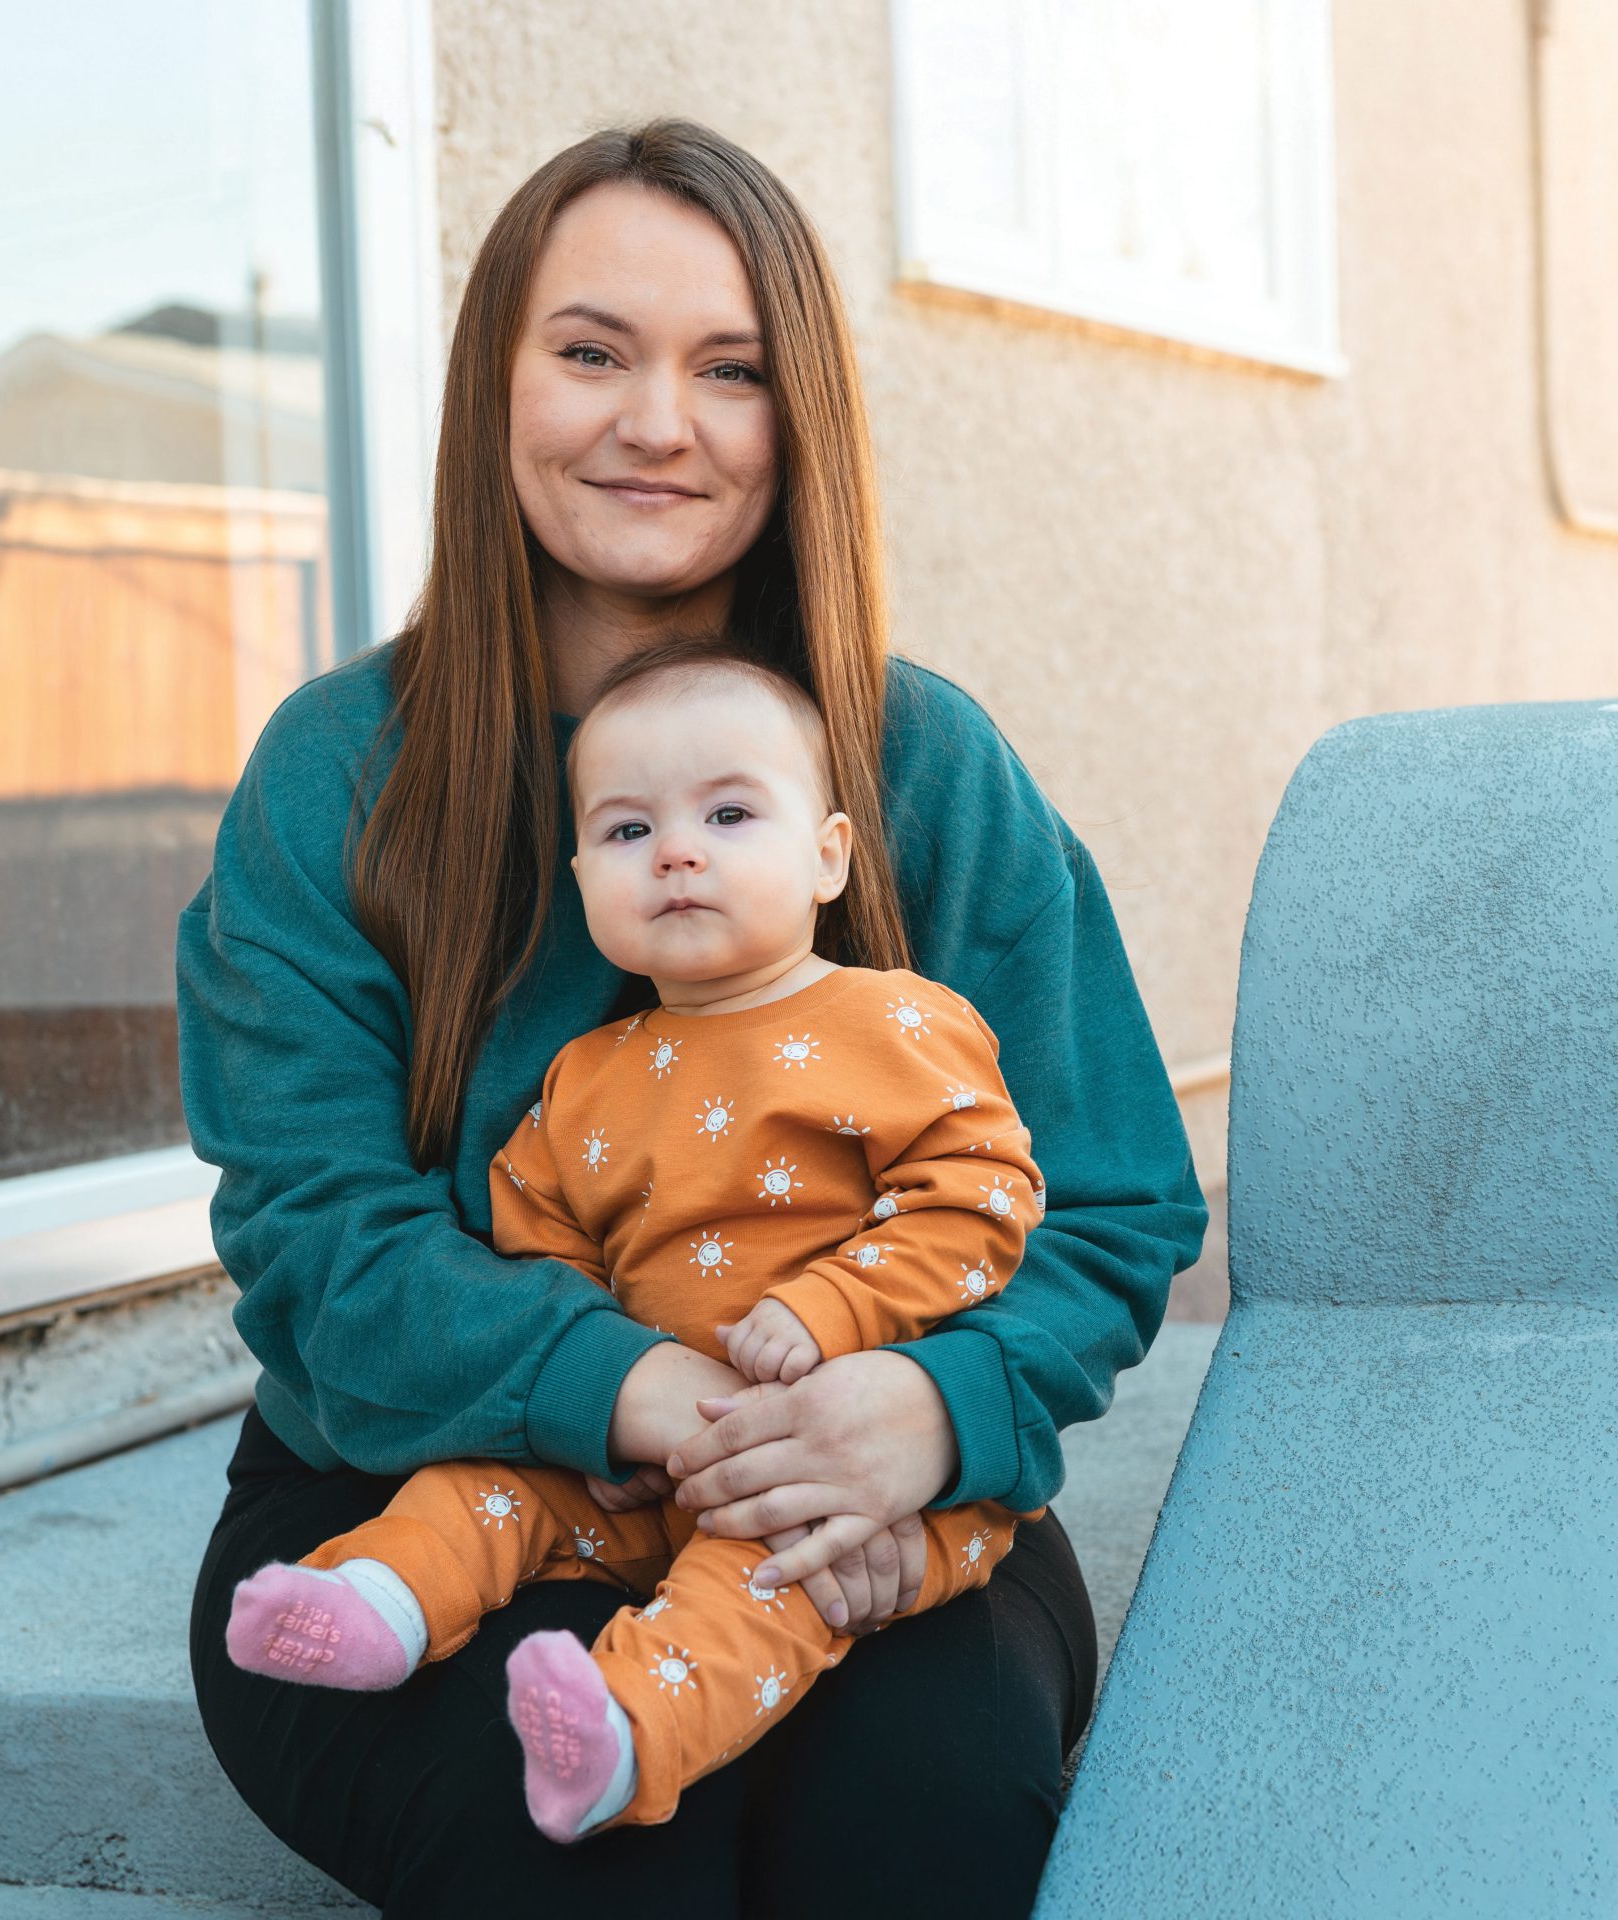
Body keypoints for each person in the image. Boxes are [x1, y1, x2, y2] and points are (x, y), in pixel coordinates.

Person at [179, 118, 1208, 1918]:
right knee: (592, 1859)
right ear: (494, 383)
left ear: (795, 415)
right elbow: (312, 1238)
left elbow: (1113, 1199)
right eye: (591, 351)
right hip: (436, 1490)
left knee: (919, 1820)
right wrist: (644, 1390)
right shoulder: (340, 776)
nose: (657, 420)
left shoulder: (920, 766)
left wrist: (936, 1405)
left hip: (876, 1490)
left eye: (728, 369)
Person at [220, 643, 1052, 1844]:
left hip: (838, 1470)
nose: (675, 850)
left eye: (727, 812)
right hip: (630, 1463)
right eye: (624, 832)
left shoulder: (898, 1024)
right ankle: (377, 1605)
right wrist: (592, 1399)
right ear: (582, 881)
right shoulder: (585, 1080)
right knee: (483, 1493)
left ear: (828, 857)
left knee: (758, 1592)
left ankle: (618, 1742)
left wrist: (836, 1316)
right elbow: (540, 1247)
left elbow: (984, 1201)